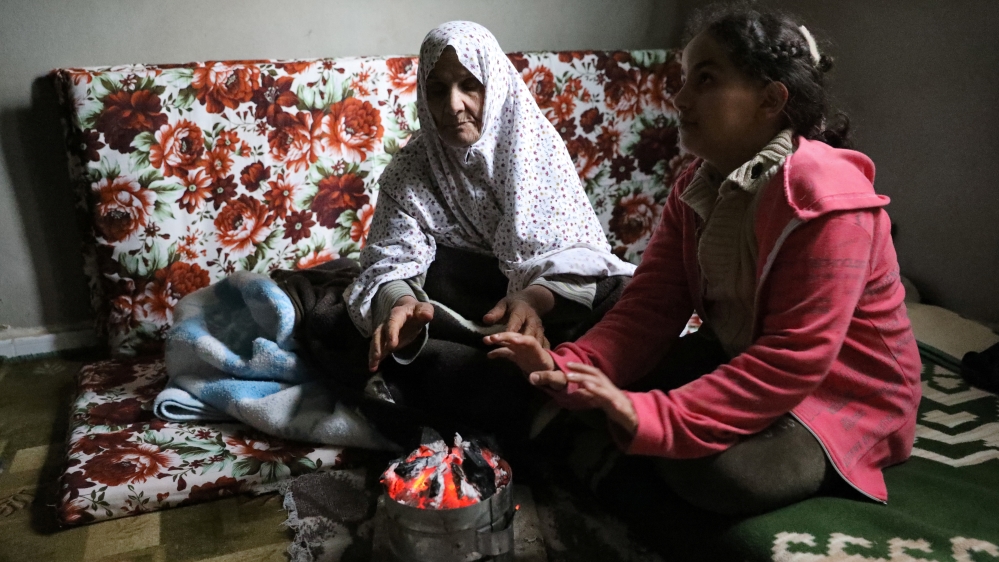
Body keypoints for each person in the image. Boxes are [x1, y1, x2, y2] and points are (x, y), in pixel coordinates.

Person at [485, 3, 922, 516]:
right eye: (685, 79)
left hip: (839, 394)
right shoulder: (696, 184)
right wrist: (570, 367)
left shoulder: (826, 199)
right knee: (593, 389)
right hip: (743, 354)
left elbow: (792, 358)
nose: (680, 97)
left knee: (706, 470)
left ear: (771, 99)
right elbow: (651, 306)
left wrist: (651, 415)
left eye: (706, 79)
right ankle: (618, 441)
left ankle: (621, 455)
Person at [341, 21, 635, 444]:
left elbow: (574, 249)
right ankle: (540, 402)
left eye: (469, 85)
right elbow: (390, 259)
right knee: (368, 331)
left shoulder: (536, 146)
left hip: (542, 307)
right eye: (438, 89)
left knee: (623, 294)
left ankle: (538, 385)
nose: (454, 105)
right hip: (462, 317)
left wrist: (531, 299)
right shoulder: (410, 170)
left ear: (494, 85)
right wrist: (400, 302)